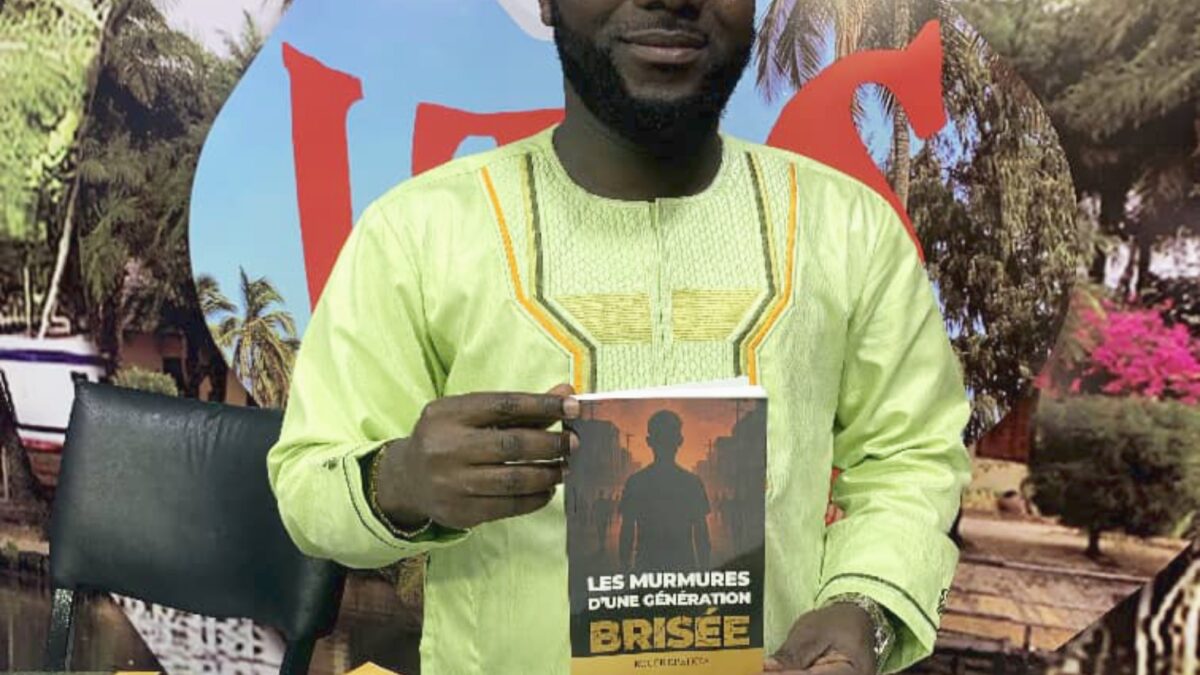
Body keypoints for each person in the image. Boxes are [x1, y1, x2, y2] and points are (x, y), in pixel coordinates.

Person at [267, 0, 972, 673]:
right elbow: (308, 482)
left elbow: (910, 459)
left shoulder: (849, 230)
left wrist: (866, 609)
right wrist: (402, 480)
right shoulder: (419, 232)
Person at [618, 410, 711, 572]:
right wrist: (704, 570)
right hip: (683, 569)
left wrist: (625, 570)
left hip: (646, 569)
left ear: (649, 441)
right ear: (680, 440)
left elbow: (627, 532)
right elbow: (701, 534)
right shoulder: (692, 483)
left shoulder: (635, 482)